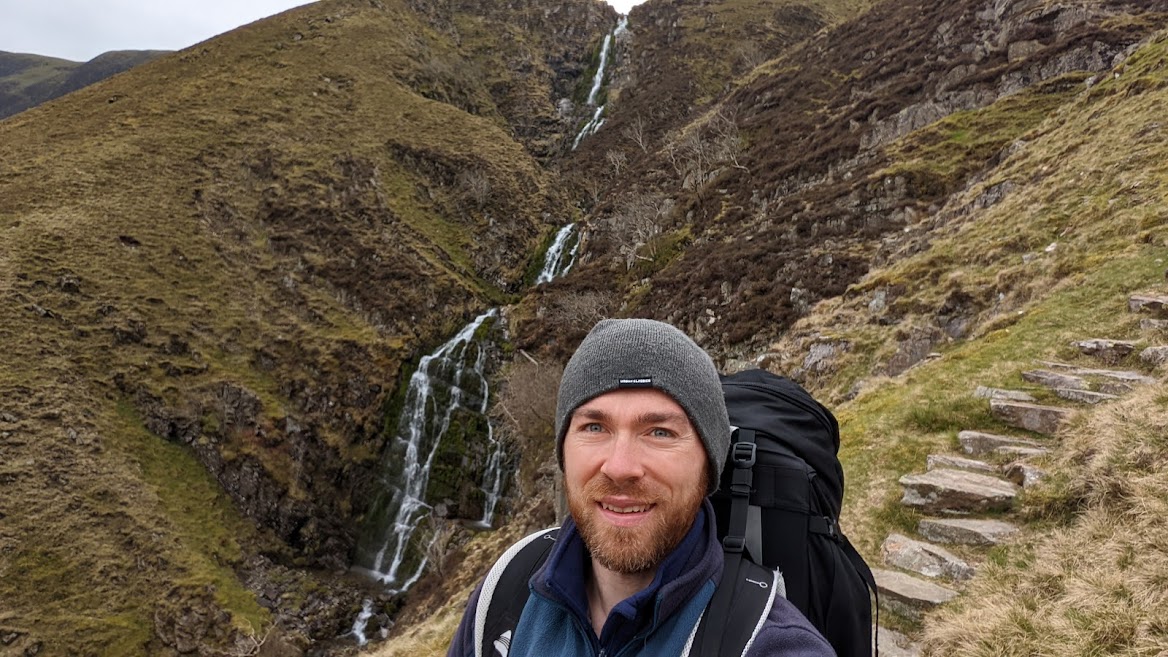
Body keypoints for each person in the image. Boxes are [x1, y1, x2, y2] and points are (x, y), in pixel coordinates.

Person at [447, 319, 835, 657]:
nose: (620, 467)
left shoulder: (772, 644)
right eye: (594, 427)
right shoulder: (505, 590)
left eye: (660, 432)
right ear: (563, 450)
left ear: (709, 464)